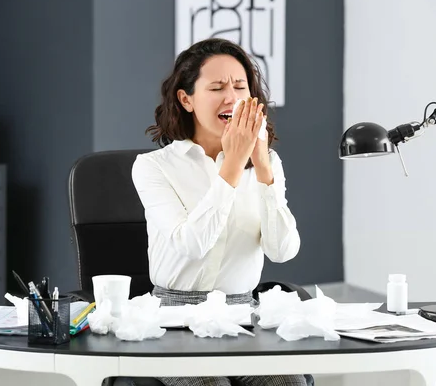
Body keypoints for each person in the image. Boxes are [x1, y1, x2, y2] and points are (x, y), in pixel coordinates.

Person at [131, 38, 306, 386]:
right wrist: (234, 164)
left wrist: (262, 170)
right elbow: (193, 245)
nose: (232, 97)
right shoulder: (153, 167)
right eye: (217, 87)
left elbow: (283, 250)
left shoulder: (267, 162)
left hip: (243, 315)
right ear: (186, 99)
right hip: (173, 318)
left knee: (288, 382)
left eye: (240, 86)